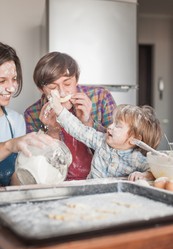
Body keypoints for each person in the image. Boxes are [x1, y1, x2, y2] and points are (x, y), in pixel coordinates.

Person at [24, 51, 116, 181]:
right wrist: (52, 133)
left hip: (101, 179)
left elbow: (119, 149)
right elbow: (38, 168)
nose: (62, 92)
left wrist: (88, 122)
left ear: (76, 80)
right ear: (41, 89)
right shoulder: (32, 114)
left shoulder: (101, 98)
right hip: (60, 183)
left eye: (67, 84)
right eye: (52, 87)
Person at [50, 92, 162, 181]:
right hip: (91, 194)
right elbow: (79, 129)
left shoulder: (136, 158)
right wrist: (59, 110)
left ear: (135, 139)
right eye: (113, 122)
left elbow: (157, 171)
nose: (110, 127)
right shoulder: (100, 140)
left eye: (118, 125)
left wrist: (144, 175)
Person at [0, 42, 26, 186]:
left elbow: (17, 173)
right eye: (2, 81)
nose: (11, 88)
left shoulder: (16, 121)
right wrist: (10, 145)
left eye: (14, 79)